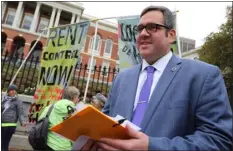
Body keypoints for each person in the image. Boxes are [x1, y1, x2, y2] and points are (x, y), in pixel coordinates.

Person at [81, 5, 233, 150]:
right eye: (139, 28)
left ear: (171, 35)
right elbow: (106, 125)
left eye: (152, 27)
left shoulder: (203, 75)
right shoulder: (122, 78)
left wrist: (151, 147)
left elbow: (218, 139)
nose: (143, 33)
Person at [38, 86, 80, 151]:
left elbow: (40, 120)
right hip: (64, 147)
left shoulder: (51, 107)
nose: (78, 100)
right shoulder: (75, 112)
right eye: (77, 97)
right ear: (74, 97)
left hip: (47, 143)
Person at [1, 84, 26, 151]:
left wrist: (22, 122)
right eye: (12, 90)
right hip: (2, 125)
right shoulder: (3, 101)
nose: (13, 91)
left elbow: (20, 113)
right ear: (8, 91)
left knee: (4, 144)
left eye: (15, 90)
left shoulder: (18, 102)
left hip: (10, 126)